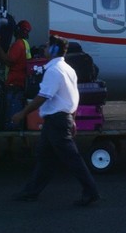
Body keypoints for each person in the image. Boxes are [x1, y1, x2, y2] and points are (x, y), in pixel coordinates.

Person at [10, 36, 100, 206]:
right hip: (59, 120)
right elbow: (73, 96)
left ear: (53, 50)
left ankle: (91, 191)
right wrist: (73, 120)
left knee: (72, 159)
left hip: (56, 122)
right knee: (45, 158)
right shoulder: (68, 68)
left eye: (46, 46)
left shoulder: (53, 71)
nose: (43, 49)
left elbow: (42, 97)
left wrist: (22, 113)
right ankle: (31, 192)